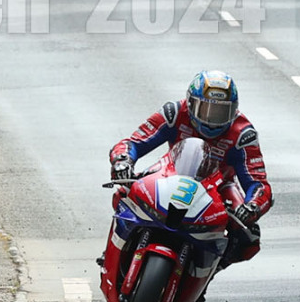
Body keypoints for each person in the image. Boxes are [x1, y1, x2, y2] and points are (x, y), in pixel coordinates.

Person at [108, 69, 272, 265]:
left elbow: (259, 184)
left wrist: (252, 207)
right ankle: (115, 251)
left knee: (248, 236)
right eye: (205, 109)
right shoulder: (173, 113)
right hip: (169, 171)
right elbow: (133, 143)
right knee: (124, 192)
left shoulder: (243, 134)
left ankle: (210, 268)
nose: (211, 119)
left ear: (233, 110)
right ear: (191, 103)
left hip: (219, 185)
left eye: (220, 112)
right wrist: (122, 160)